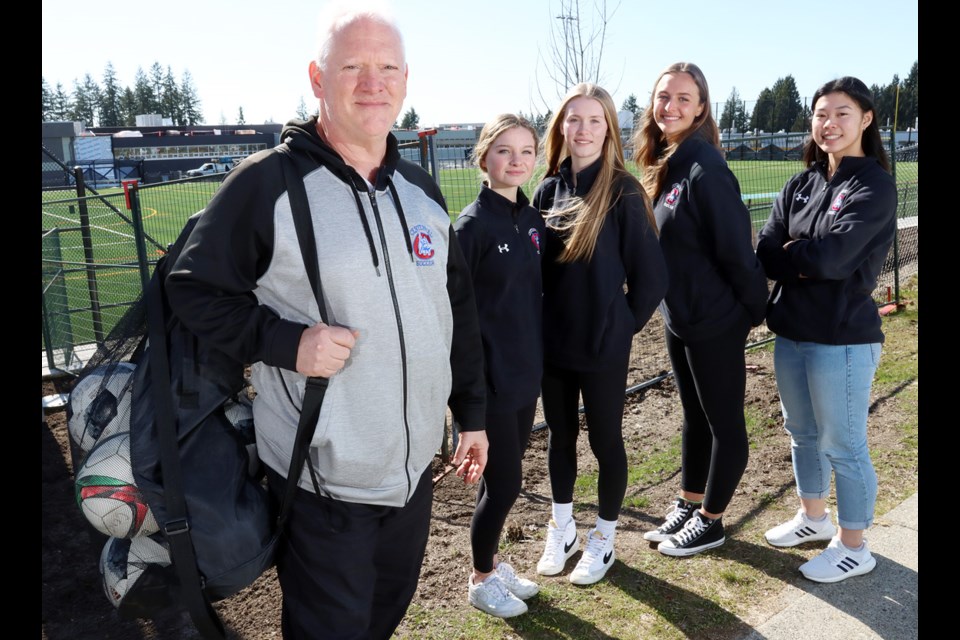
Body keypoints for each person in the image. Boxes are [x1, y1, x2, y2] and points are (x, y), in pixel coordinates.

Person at [164, 5, 489, 638]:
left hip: (412, 475)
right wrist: (285, 342)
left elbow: (455, 310)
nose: (373, 82)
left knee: (382, 621)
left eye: (387, 66)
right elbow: (193, 288)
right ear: (318, 78)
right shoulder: (267, 186)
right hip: (322, 482)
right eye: (353, 66)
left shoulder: (422, 190)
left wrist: (471, 414)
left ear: (406, 79)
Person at [756, 76, 896, 583]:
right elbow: (767, 250)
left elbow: (835, 259)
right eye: (820, 114)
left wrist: (796, 253)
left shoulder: (873, 183)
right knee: (802, 433)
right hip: (791, 331)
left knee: (843, 442)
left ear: (865, 120)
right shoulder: (802, 183)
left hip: (843, 339)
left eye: (841, 113)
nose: (828, 123)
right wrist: (798, 256)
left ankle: (855, 545)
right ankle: (814, 519)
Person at [533, 83, 668, 585]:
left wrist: (618, 327)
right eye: (574, 120)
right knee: (559, 438)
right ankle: (563, 527)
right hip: (554, 346)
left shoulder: (624, 192)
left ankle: (604, 537)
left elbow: (653, 279)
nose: (583, 129)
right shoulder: (548, 189)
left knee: (605, 440)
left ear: (608, 128)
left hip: (603, 348)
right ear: (561, 128)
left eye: (594, 120)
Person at [633, 63, 769, 557]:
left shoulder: (705, 168)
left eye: (682, 98)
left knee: (724, 422)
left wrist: (753, 311)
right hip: (680, 317)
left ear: (701, 107)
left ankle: (711, 521)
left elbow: (736, 250)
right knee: (694, 415)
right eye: (663, 97)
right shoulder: (668, 163)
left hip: (714, 320)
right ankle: (690, 504)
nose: (670, 106)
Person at [453, 114, 544, 618]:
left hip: (523, 375)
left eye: (526, 151)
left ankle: (491, 563)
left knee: (501, 481)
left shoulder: (531, 222)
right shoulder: (471, 227)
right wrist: (467, 400)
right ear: (484, 157)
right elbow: (455, 314)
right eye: (504, 151)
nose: (516, 161)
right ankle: (481, 577)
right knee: (506, 482)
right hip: (488, 384)